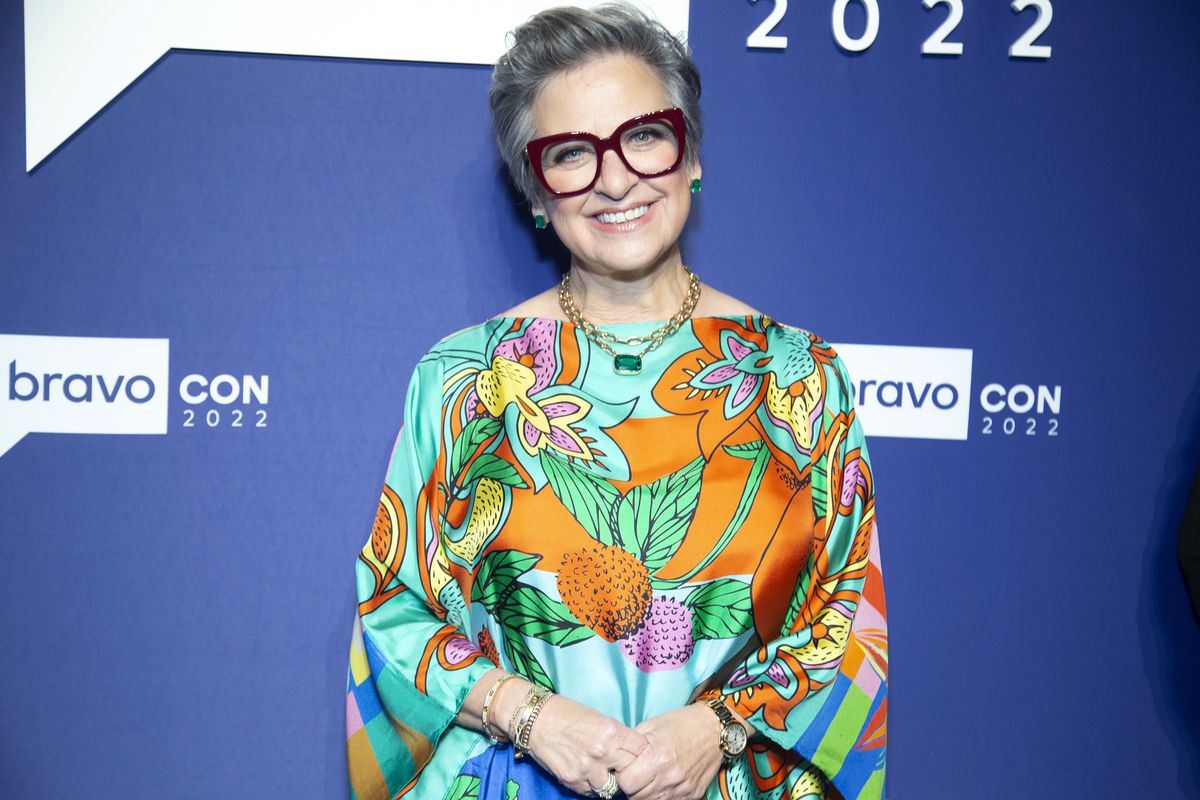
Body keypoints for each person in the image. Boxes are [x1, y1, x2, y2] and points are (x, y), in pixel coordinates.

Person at [345, 4, 887, 799]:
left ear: (690, 153)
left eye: (643, 135)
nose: (615, 176)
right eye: (571, 153)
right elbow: (393, 611)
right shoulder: (466, 380)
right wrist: (532, 716)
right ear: (537, 189)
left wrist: (719, 726)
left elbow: (848, 617)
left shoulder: (798, 375)